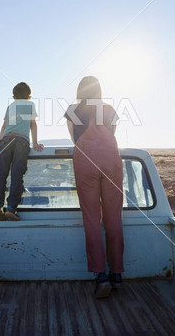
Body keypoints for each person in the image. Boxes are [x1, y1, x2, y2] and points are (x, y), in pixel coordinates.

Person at [65, 76, 124, 299]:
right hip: (111, 160)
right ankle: (117, 274)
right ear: (100, 90)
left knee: (91, 219)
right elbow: (113, 134)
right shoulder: (109, 108)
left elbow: (73, 137)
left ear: (80, 89)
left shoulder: (73, 108)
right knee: (113, 218)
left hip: (86, 159)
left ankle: (101, 276)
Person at [0, 82, 43, 221]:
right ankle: (11, 209)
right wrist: (35, 143)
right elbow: (33, 124)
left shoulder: (10, 106)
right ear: (29, 96)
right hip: (21, 141)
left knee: (1, 174)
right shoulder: (30, 105)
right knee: (17, 175)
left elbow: (4, 126)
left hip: (6, 140)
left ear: (13, 96)